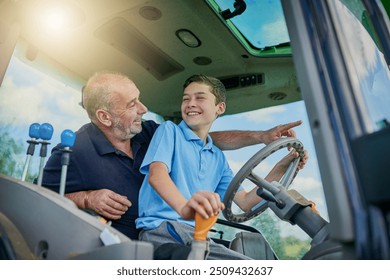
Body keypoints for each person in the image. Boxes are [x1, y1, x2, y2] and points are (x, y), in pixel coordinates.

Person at [41, 71, 306, 240]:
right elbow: (37, 200)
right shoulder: (75, 149)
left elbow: (206, 141)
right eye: (132, 104)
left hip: (177, 239)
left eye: (140, 99)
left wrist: (263, 141)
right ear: (104, 117)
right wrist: (87, 198)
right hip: (124, 248)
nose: (143, 109)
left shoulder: (148, 131)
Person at [136, 74, 307, 260]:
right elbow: (157, 175)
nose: (190, 103)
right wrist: (185, 208)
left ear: (220, 107)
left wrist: (281, 167)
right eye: (186, 99)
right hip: (164, 231)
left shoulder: (217, 157)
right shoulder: (170, 131)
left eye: (200, 97)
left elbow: (245, 201)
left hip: (196, 235)